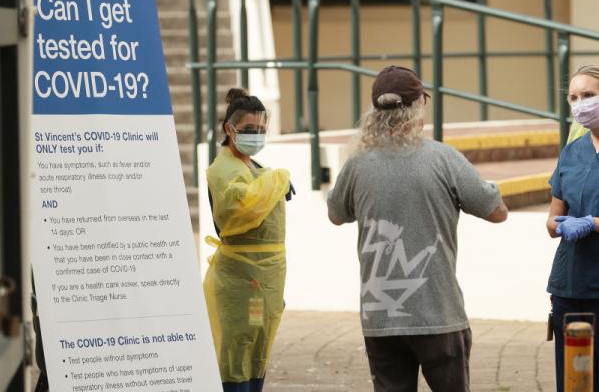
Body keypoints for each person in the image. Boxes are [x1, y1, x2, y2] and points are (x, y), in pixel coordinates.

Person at [327, 65, 508, 392]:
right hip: (438, 314)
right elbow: (496, 212)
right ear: (418, 106)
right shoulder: (443, 158)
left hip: (380, 319)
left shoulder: (355, 165)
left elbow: (336, 214)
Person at [203, 88, 292, 392]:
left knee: (257, 346)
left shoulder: (258, 169)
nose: (256, 136)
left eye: (261, 130)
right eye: (249, 130)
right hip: (241, 281)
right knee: (236, 349)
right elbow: (241, 207)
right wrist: (278, 180)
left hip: (264, 282)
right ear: (230, 129)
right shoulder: (222, 169)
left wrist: (274, 179)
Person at [546, 64, 599, 392]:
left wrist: (592, 223)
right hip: (569, 285)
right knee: (573, 381)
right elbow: (552, 219)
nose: (580, 104)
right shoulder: (571, 152)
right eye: (573, 98)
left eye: (589, 95)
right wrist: (560, 225)